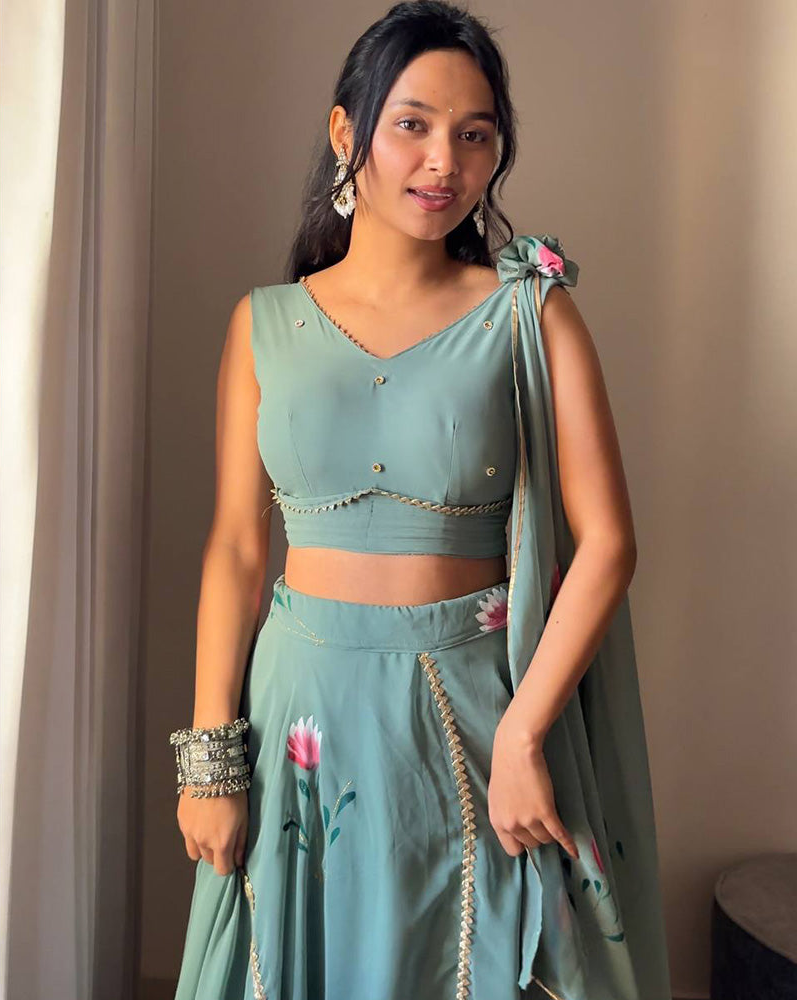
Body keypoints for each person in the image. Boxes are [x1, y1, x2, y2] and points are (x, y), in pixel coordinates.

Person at [170, 3, 672, 999]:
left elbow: (607, 543)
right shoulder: (263, 325)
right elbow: (236, 548)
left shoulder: (529, 315)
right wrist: (209, 762)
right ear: (345, 132)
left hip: (471, 714)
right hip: (302, 717)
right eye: (412, 124)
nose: (444, 160)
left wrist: (524, 735)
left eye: (475, 135)